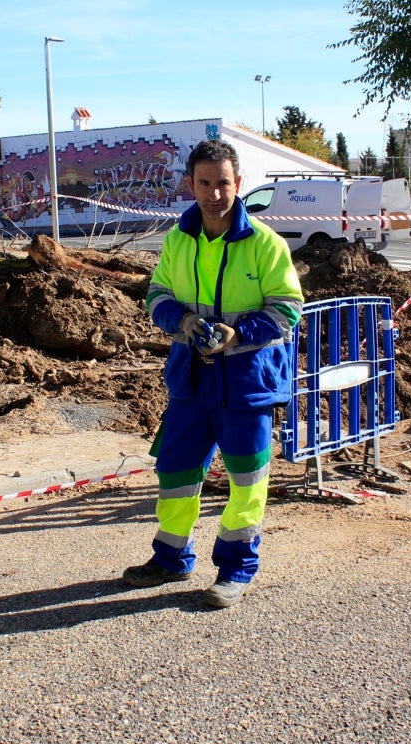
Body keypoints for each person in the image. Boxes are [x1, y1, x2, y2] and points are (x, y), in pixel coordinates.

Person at [124, 138, 303, 608]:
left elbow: (287, 310)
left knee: (246, 479)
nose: (214, 193)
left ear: (238, 183)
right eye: (204, 183)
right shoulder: (177, 240)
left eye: (223, 183)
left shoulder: (266, 244)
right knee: (177, 472)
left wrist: (236, 333)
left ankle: (236, 570)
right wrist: (181, 321)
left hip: (247, 383)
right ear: (191, 184)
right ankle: (170, 558)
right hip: (191, 380)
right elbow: (157, 296)